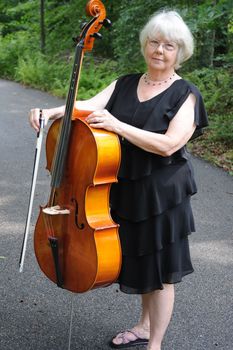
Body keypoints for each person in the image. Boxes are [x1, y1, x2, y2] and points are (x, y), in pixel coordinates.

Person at [29, 10, 208, 350]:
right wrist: (51, 112)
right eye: (153, 42)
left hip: (162, 193)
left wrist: (119, 126)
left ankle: (155, 344)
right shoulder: (125, 83)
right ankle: (142, 327)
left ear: (180, 51)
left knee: (160, 272)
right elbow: (87, 106)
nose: (159, 50)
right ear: (144, 45)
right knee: (140, 260)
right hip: (123, 186)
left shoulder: (186, 93)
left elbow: (170, 143)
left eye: (168, 45)